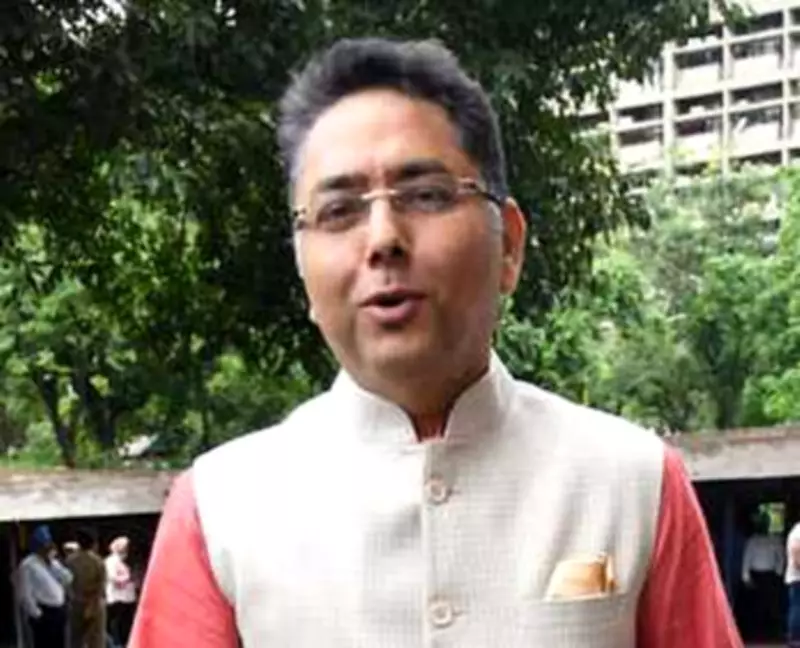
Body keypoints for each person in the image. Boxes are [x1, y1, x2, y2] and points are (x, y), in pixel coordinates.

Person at [129, 37, 742, 648]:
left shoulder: (632, 483)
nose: (383, 239)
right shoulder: (221, 510)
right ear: (302, 270)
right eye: (338, 210)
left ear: (509, 246)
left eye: (426, 195)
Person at [17, 524, 72, 648]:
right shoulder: (28, 565)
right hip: (44, 611)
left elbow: (67, 578)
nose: (47, 549)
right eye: (44, 546)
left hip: (59, 610)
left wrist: (53, 563)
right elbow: (25, 592)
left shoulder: (52, 562)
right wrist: (36, 614)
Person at [741, 511, 784, 640]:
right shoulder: (752, 540)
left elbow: (781, 557)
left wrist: (778, 573)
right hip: (756, 575)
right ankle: (755, 633)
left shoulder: (775, 539)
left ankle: (772, 633)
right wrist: (746, 577)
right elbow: (747, 558)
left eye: (766, 523)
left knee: (771, 605)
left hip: (770, 575)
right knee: (756, 605)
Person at [66, 527, 107, 648]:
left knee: (75, 639)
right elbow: (101, 585)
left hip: (76, 602)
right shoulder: (98, 561)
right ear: (94, 543)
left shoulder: (70, 561)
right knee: (96, 640)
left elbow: (67, 582)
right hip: (94, 602)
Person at [106, 536, 137, 647]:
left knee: (125, 623)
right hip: (117, 598)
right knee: (117, 624)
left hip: (126, 598)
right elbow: (112, 578)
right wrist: (127, 579)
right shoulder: (111, 561)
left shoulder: (122, 561)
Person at [786, 520, 800, 647]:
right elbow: (796, 552)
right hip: (798, 577)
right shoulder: (798, 531)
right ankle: (795, 638)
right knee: (797, 607)